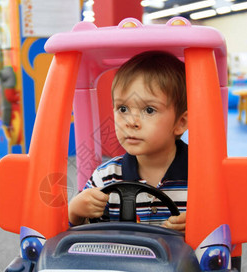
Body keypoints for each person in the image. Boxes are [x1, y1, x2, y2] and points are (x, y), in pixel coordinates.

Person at [68, 51, 188, 232]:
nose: (131, 122)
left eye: (149, 110)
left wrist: (199, 226)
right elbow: (83, 237)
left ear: (181, 122)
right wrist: (75, 212)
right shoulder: (106, 176)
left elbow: (219, 235)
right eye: (122, 108)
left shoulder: (201, 176)